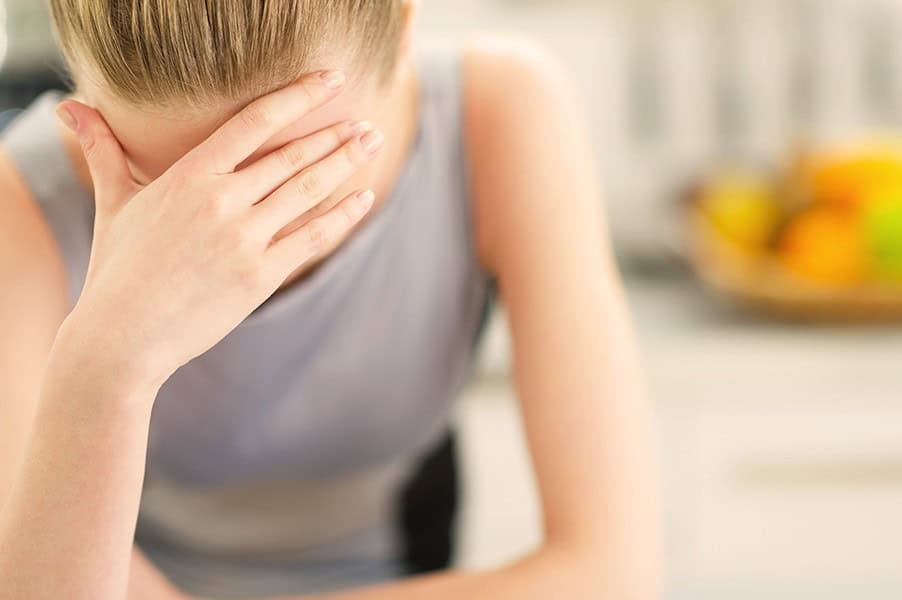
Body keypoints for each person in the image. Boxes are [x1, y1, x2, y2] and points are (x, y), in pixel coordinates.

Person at [0, 1, 663, 598]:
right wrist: (107, 362)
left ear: (405, 26)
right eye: (167, 195)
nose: (241, 247)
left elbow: (612, 574)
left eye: (306, 179)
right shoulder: (23, 197)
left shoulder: (502, 110)